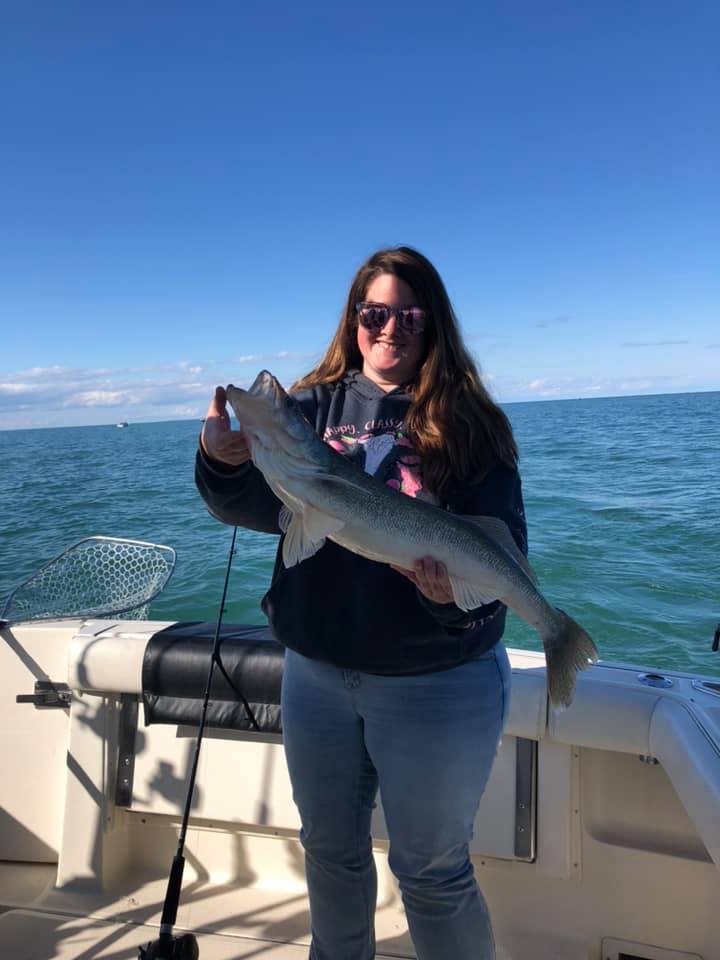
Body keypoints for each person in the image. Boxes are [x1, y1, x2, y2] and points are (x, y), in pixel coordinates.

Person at [195, 246, 526, 960]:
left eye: (409, 315)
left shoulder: (471, 422)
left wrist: (450, 602)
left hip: (436, 682)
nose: (390, 329)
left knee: (431, 873)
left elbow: (500, 564)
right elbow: (256, 506)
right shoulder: (309, 409)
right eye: (375, 313)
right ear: (353, 320)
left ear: (432, 325)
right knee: (330, 853)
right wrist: (221, 463)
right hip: (317, 673)